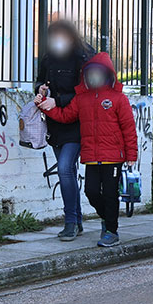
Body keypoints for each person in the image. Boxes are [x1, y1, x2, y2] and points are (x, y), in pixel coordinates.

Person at [36, 52, 138, 247]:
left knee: (109, 194)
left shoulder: (118, 98)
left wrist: (131, 155)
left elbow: (129, 128)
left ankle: (111, 231)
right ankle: (106, 218)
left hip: (113, 158)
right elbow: (66, 116)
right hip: (91, 157)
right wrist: (45, 107)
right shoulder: (82, 99)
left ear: (108, 75)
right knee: (91, 192)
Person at [35, 20, 94, 241]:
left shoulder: (83, 58)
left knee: (64, 169)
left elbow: (87, 92)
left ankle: (70, 222)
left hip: (77, 123)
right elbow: (40, 80)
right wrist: (40, 90)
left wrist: (57, 100)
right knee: (67, 171)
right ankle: (76, 221)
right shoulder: (48, 58)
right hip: (55, 123)